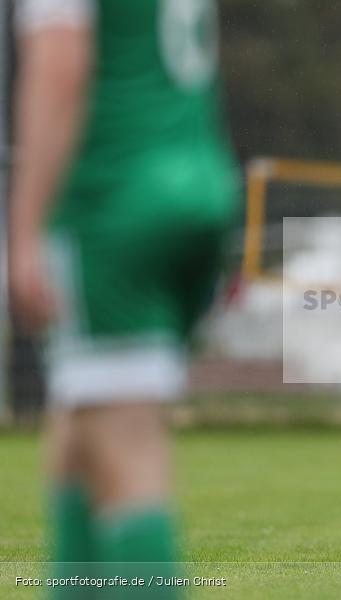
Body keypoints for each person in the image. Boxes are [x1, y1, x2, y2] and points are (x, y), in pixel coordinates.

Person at [8, 0, 238, 596]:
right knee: (78, 427)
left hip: (112, 199)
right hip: (198, 186)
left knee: (125, 442)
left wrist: (25, 224)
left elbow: (61, 65)